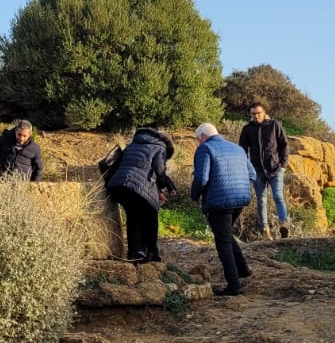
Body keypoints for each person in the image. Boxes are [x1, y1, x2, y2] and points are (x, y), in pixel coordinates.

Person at [190, 123, 255, 297]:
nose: (198, 143)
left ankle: (234, 286)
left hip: (219, 202)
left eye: (197, 139)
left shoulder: (205, 148)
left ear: (202, 136)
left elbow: (201, 178)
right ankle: (242, 269)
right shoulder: (237, 149)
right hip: (240, 199)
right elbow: (252, 175)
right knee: (225, 233)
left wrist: (194, 196)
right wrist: (238, 186)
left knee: (222, 241)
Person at [103, 127, 176, 264]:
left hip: (118, 185)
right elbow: (159, 171)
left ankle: (134, 254)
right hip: (137, 186)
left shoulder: (133, 144)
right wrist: (161, 187)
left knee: (134, 218)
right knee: (151, 217)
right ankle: (151, 253)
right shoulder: (160, 147)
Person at [239, 102, 291, 239]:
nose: (255, 116)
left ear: (264, 112)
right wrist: (247, 168)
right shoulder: (247, 129)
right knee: (261, 200)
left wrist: (283, 165)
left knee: (278, 196)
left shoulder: (275, 125)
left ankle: (283, 223)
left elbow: (284, 145)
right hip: (257, 170)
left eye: (258, 113)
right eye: (253, 114)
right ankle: (265, 230)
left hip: (275, 168)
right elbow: (242, 150)